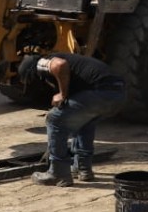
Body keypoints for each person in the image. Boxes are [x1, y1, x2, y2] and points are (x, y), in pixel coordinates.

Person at [19, 53, 127, 187]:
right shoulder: (75, 68)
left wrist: (62, 94)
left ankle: (58, 173)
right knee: (84, 120)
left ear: (31, 73)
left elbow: (60, 65)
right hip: (118, 94)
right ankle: (83, 168)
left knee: (54, 120)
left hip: (101, 92)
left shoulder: (40, 63)